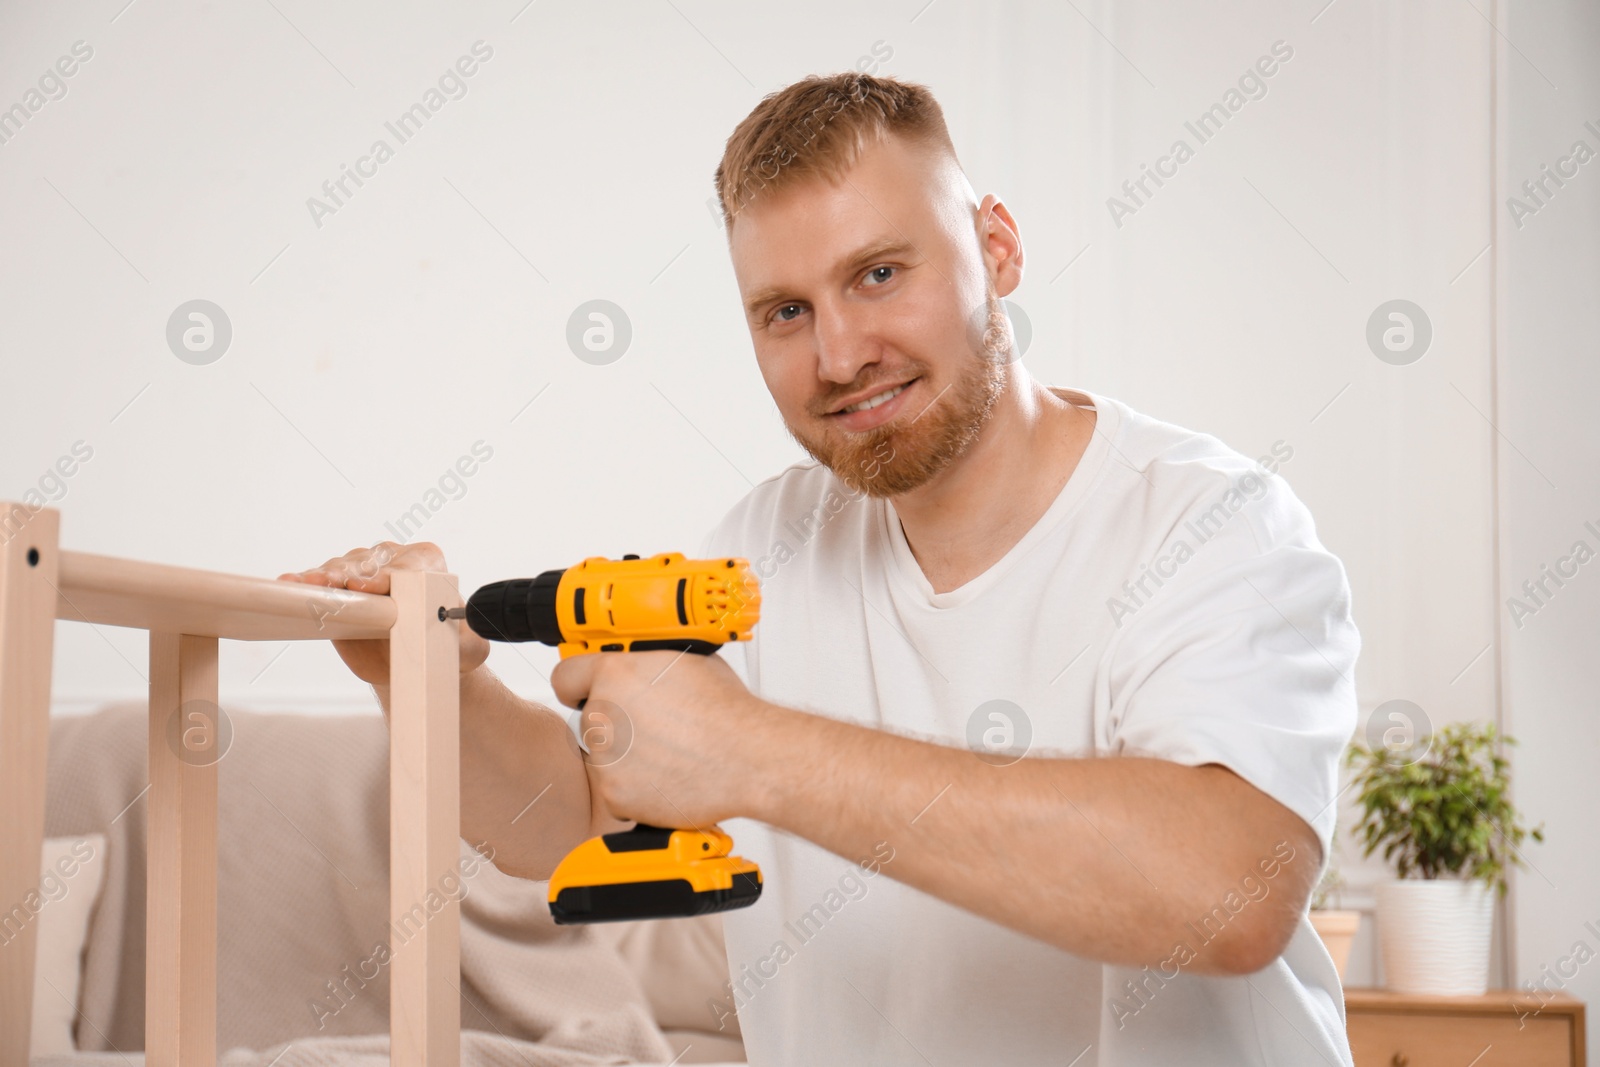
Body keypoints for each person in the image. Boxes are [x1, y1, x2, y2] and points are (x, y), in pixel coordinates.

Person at [281, 73, 1359, 1066]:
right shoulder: (766, 541)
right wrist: (430, 675)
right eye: (785, 312)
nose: (838, 356)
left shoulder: (1212, 524)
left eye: (879, 274)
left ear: (998, 249)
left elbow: (1230, 889)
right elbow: (582, 818)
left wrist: (755, 751)